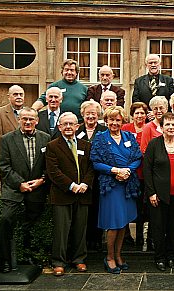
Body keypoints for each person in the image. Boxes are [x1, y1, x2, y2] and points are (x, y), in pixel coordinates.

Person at [0, 107, 50, 273]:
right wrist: (20, 184)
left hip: (37, 189)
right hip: (14, 189)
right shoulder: (7, 139)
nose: (28, 122)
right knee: (6, 220)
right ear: (19, 119)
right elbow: (4, 166)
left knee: (32, 224)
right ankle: (4, 260)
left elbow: (50, 164)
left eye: (31, 119)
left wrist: (42, 180)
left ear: (37, 121)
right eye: (24, 119)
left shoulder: (46, 138)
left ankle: (28, 255)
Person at [90, 106, 142, 274]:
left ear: (122, 121)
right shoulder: (100, 138)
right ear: (106, 121)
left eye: (118, 120)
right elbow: (95, 162)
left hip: (127, 184)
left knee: (123, 223)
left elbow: (137, 157)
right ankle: (110, 257)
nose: (114, 123)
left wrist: (127, 171)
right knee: (114, 223)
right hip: (111, 186)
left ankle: (119, 255)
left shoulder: (128, 136)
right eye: (111, 120)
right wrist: (115, 171)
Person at [46, 112, 95, 276]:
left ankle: (78, 259)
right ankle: (58, 262)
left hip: (83, 194)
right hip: (62, 194)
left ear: (77, 126)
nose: (68, 127)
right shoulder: (52, 146)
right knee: (61, 230)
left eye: (71, 124)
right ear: (59, 127)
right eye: (64, 124)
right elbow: (53, 172)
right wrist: (72, 185)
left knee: (80, 229)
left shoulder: (85, 145)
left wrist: (85, 184)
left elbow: (90, 168)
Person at [144, 112, 174, 271]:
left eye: (173, 124)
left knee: (172, 227)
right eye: (167, 124)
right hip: (158, 196)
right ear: (161, 127)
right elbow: (147, 170)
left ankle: (171, 255)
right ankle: (159, 257)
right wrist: (151, 193)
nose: (171, 127)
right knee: (158, 228)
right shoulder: (153, 144)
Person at [76, 100, 107, 251]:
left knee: (98, 207)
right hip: (81, 176)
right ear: (82, 114)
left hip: (100, 176)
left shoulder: (103, 130)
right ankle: (85, 239)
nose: (90, 116)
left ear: (98, 115)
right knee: (84, 209)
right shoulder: (76, 130)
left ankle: (97, 238)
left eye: (93, 114)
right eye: (87, 113)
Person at [122, 102, 149, 247]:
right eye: (137, 113)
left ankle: (140, 235)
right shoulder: (125, 128)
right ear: (132, 115)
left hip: (143, 173)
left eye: (142, 113)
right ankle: (126, 236)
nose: (140, 116)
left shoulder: (149, 128)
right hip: (128, 173)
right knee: (127, 204)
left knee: (141, 206)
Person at [0, 85, 25, 156]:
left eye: (21, 94)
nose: (19, 97)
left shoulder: (29, 113)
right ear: (8, 97)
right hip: (8, 157)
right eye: (15, 94)